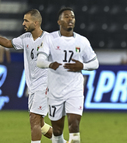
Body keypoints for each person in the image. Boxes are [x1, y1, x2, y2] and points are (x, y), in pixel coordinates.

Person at [0, 9, 54, 143]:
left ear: (36, 23)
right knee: (41, 125)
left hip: (45, 84)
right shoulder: (25, 38)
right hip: (33, 85)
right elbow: (8, 43)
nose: (23, 23)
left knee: (34, 118)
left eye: (26, 20)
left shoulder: (49, 39)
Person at [37, 7, 99, 143]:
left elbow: (95, 63)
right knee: (57, 132)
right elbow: (40, 61)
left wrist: (83, 66)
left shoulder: (82, 41)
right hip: (55, 91)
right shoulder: (50, 39)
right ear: (59, 21)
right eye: (66, 16)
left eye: (72, 17)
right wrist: (49, 64)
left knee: (74, 127)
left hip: (74, 90)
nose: (70, 19)